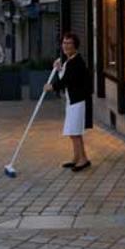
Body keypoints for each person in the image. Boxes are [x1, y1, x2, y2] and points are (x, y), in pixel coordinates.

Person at [44, 32, 91, 171]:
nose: (65, 46)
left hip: (78, 101)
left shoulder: (76, 62)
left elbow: (67, 80)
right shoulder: (69, 61)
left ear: (75, 45)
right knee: (73, 131)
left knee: (75, 132)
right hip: (72, 101)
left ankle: (83, 160)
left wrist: (51, 87)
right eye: (64, 43)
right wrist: (59, 69)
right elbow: (65, 77)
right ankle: (77, 157)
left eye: (69, 43)